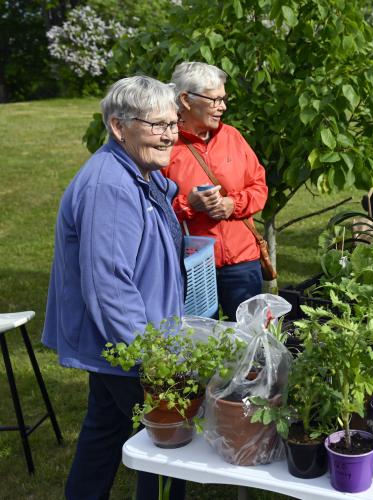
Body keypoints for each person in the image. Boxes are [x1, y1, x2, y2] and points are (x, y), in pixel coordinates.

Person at [42, 76, 186, 500]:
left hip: (124, 341)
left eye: (173, 123)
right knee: (168, 442)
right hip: (129, 344)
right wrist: (150, 359)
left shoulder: (137, 171)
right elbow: (108, 286)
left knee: (104, 433)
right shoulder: (109, 186)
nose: (169, 135)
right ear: (118, 127)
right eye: (157, 125)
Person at [164, 62, 268, 321]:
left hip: (243, 262)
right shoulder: (165, 144)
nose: (223, 107)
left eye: (224, 99)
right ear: (186, 100)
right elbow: (154, 208)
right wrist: (189, 204)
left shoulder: (232, 137)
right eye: (215, 100)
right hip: (193, 265)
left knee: (251, 340)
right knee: (200, 344)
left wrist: (233, 205)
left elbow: (259, 187)